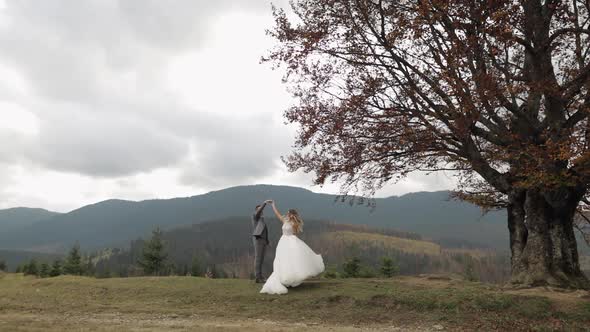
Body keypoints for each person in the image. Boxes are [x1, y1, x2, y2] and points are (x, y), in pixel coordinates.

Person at [260, 200, 325, 294]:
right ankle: (283, 278)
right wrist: (273, 204)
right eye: (288, 214)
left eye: (289, 214)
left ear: (292, 214)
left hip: (291, 241)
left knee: (291, 260)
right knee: (281, 260)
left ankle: (290, 278)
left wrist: (294, 244)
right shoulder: (284, 220)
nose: (288, 215)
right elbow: (277, 214)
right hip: (282, 241)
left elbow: (294, 234)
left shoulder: (294, 224)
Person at [252, 200, 272, 283]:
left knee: (261, 259)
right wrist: (264, 203)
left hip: (263, 240)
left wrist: (267, 241)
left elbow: (264, 231)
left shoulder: (262, 220)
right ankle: (258, 277)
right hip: (258, 239)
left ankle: (260, 276)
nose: (261, 210)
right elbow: (259, 211)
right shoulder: (255, 217)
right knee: (258, 258)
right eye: (259, 209)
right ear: (257, 211)